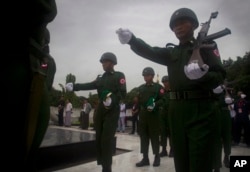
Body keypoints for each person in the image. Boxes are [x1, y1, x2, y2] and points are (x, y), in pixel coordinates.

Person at [116, 7, 226, 172]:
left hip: (201, 110)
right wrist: (132, 40)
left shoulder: (207, 46)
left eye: (183, 23)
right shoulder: (171, 52)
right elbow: (150, 51)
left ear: (194, 25)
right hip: (176, 111)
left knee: (199, 161)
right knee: (180, 161)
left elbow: (220, 75)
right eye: (175, 25)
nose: (178, 27)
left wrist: (203, 76)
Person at [65, 52, 127, 172]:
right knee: (98, 138)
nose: (103, 64)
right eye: (102, 62)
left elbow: (122, 93)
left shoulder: (119, 75)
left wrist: (112, 100)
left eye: (106, 61)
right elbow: (89, 85)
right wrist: (75, 86)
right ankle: (103, 164)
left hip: (112, 110)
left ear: (113, 63)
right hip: (101, 110)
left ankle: (107, 167)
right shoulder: (100, 78)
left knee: (106, 139)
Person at [135, 67, 165, 167]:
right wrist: (136, 107)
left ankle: (157, 157)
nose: (145, 77)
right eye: (144, 75)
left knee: (154, 136)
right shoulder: (141, 88)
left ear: (152, 76)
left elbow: (164, 100)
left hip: (153, 115)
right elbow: (138, 101)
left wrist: (155, 104)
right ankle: (145, 158)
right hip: (143, 115)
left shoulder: (158, 87)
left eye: (147, 75)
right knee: (143, 136)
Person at [159, 75, 173, 157]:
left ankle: (172, 149)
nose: (165, 83)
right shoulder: (161, 91)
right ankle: (164, 149)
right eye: (163, 82)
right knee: (163, 132)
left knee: (171, 132)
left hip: (171, 114)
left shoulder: (173, 91)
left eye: (166, 81)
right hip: (162, 114)